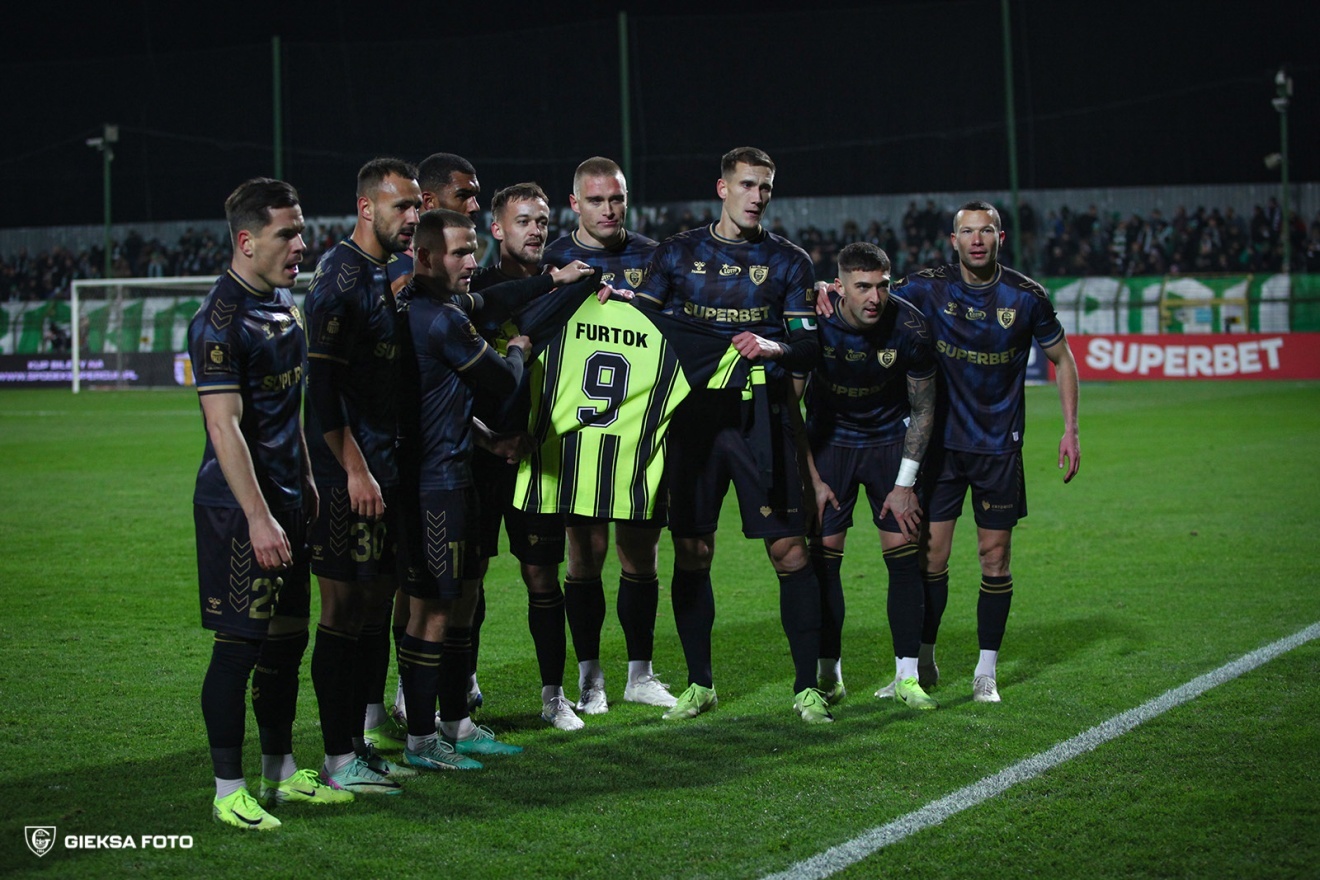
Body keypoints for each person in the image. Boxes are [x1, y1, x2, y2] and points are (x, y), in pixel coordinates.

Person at [633, 146, 830, 723]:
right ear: (723, 188)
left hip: (759, 420)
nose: (757, 196)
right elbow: (639, 326)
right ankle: (700, 685)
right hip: (693, 422)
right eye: (747, 185)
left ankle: (808, 688)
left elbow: (809, 347)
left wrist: (774, 346)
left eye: (765, 187)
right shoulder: (677, 253)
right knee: (692, 550)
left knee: (789, 550)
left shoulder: (789, 262)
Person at [189, 177, 353, 831]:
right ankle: (228, 791)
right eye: (287, 233)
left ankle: (280, 773)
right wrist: (258, 518)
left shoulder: (283, 305)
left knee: (286, 644)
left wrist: (306, 479)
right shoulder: (219, 322)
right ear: (247, 241)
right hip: (238, 512)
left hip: (288, 500)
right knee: (239, 648)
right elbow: (223, 427)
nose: (300, 244)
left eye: (301, 231)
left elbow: (289, 411)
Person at [894, 200, 1080, 702]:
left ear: (1001, 238)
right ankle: (924, 661)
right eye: (968, 231)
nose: (977, 239)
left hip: (999, 448)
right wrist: (829, 290)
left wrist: (1071, 429)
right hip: (940, 448)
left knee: (994, 556)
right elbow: (869, 295)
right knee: (931, 558)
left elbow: (1063, 359)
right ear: (953, 241)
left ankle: (985, 671)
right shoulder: (926, 287)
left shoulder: (1026, 296)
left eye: (987, 231)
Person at [395, 208, 531, 769]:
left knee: (457, 605)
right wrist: (519, 348)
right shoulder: (442, 320)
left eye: (473, 250)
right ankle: (421, 740)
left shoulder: (418, 308)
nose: (472, 262)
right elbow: (503, 383)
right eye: (459, 252)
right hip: (436, 486)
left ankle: (455, 724)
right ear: (426, 256)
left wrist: (484, 440)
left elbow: (436, 402)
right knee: (432, 611)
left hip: (454, 474)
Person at [303, 157, 422, 793]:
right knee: (343, 610)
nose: (413, 217)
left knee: (371, 606)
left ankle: (355, 744)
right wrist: (354, 470)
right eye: (402, 206)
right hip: (344, 477)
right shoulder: (340, 279)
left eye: (417, 206)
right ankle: (337, 757)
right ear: (366, 208)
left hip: (381, 468)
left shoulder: (381, 272)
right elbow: (320, 391)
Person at [541, 157, 675, 713]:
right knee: (585, 555)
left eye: (616, 198)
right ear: (575, 203)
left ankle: (640, 674)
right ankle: (590, 678)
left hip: (639, 433)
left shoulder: (654, 256)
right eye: (596, 200)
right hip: (579, 435)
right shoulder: (551, 259)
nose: (608, 209)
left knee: (640, 554)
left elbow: (673, 329)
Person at [467, 181, 596, 730]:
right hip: (476, 457)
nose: (536, 230)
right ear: (497, 229)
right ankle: (461, 682)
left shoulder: (574, 286)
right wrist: (486, 438)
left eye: (542, 220)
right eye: (523, 221)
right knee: (467, 579)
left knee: (542, 576)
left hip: (540, 457)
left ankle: (553, 696)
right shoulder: (474, 289)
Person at [793, 242, 939, 712]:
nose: (875, 297)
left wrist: (905, 484)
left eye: (882, 286)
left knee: (905, 558)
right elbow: (789, 406)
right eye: (862, 287)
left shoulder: (911, 327)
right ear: (839, 287)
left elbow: (924, 408)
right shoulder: (813, 321)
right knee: (824, 561)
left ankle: (907, 677)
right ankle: (829, 677)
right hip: (829, 445)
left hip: (887, 445)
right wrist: (811, 479)